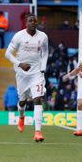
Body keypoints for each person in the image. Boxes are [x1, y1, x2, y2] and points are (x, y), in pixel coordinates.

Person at [5, 14, 48, 142]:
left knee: (37, 99)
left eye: (35, 21)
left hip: (36, 73)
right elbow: (7, 54)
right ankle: (22, 116)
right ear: (26, 23)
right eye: (30, 21)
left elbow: (45, 52)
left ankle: (38, 132)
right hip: (22, 74)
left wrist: (43, 67)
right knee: (22, 101)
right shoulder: (19, 36)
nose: (33, 23)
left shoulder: (43, 37)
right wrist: (20, 64)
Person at [62, 41, 82, 136]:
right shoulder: (81, 58)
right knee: (80, 105)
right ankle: (79, 129)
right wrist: (69, 75)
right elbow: (78, 69)